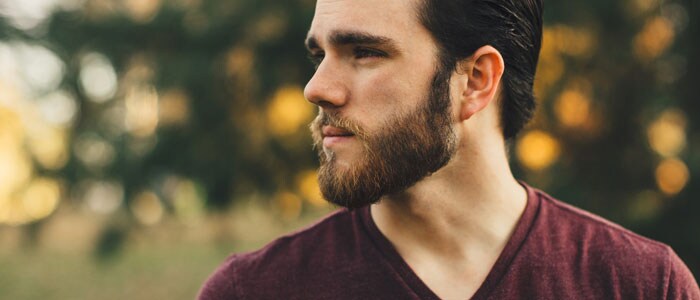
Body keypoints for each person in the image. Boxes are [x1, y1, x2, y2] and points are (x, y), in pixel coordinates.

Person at [199, 0, 700, 298]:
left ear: (476, 80)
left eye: (366, 52)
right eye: (319, 54)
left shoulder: (639, 286)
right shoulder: (255, 291)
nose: (316, 88)